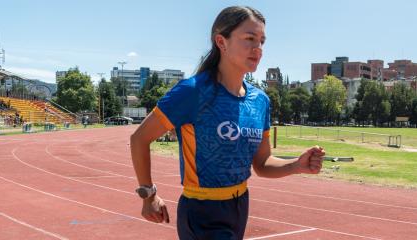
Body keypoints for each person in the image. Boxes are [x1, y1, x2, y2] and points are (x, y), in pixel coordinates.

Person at [130, 6, 325, 240]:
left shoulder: (260, 101)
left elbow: (262, 164)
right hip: (202, 212)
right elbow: (139, 138)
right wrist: (148, 194)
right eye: (249, 39)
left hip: (239, 207)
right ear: (222, 42)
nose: (258, 49)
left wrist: (296, 165)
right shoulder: (193, 92)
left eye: (262, 41)